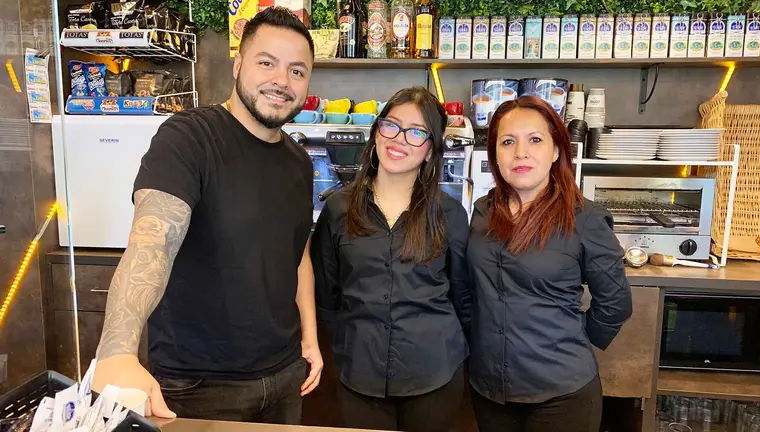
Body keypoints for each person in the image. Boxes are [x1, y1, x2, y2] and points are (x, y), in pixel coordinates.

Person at [91, 7, 323, 424]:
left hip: (285, 375)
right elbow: (152, 243)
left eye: (296, 71)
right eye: (266, 63)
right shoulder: (189, 137)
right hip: (199, 385)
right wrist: (117, 350)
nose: (281, 81)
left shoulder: (299, 162)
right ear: (238, 64)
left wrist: (310, 337)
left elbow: (298, 255)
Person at [466, 96, 633, 432]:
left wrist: (567, 338)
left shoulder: (584, 218)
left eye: (535, 140)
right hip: (489, 389)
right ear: (494, 154)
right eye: (507, 142)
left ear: (556, 150)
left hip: (561, 394)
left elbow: (615, 304)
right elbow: (473, 290)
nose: (520, 153)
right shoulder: (483, 211)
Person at [310, 87, 471, 432]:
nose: (399, 139)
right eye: (392, 125)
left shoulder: (449, 214)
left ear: (430, 150)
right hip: (360, 375)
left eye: (417, 132)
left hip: (434, 374)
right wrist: (351, 344)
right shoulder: (339, 209)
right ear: (377, 131)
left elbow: (463, 297)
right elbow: (327, 294)